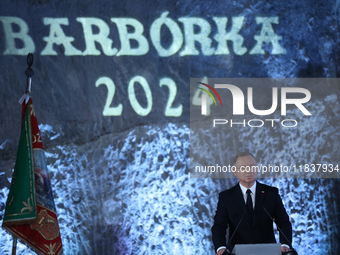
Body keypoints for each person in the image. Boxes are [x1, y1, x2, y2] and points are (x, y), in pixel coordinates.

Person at [211, 152, 292, 254]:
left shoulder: (271, 193)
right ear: (235, 171)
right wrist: (221, 247)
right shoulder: (226, 197)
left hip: (268, 251)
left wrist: (285, 244)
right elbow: (219, 226)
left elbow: (283, 221)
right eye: (243, 168)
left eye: (252, 167)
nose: (248, 171)